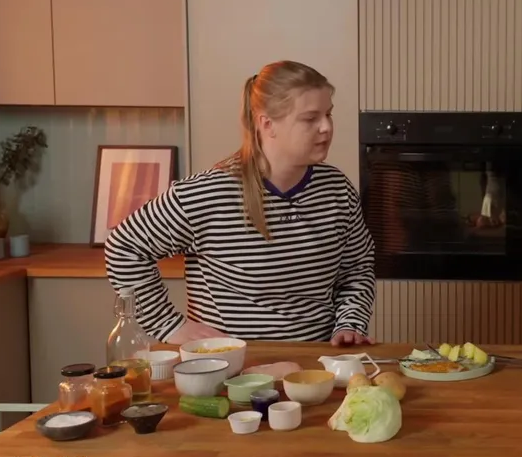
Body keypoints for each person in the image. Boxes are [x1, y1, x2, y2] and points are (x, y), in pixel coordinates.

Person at [105, 61, 376, 346]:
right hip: (231, 363)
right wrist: (169, 325)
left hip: (316, 360)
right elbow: (124, 247)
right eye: (310, 119)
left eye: (328, 114)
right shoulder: (207, 193)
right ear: (267, 124)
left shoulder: (337, 189)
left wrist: (350, 323)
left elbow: (357, 267)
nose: (326, 127)